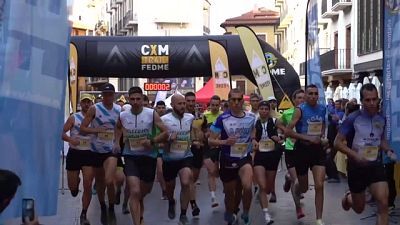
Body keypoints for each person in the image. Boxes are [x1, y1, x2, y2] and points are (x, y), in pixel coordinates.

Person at [335, 83, 396, 225]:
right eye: (368, 100)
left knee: (383, 202)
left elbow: (381, 140)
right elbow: (337, 143)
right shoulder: (352, 119)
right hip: (356, 168)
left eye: (375, 99)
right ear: (362, 101)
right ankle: (349, 198)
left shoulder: (381, 118)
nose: (372, 103)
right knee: (359, 208)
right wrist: (355, 156)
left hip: (375, 165)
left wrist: (388, 150)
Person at [114, 86, 168, 225]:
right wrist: (116, 142)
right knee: (135, 191)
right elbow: (118, 127)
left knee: (144, 191)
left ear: (143, 99)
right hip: (130, 156)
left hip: (148, 156)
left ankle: (139, 210)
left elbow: (165, 132)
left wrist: (152, 141)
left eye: (138, 99)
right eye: (132, 99)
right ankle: (137, 222)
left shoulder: (151, 113)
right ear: (129, 100)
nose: (136, 102)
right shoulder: (123, 115)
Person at [209, 88, 256, 225]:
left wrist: (253, 139)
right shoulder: (222, 119)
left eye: (239, 99)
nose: (236, 102)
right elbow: (210, 140)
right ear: (229, 101)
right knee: (230, 194)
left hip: (244, 157)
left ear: (243, 100)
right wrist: (224, 142)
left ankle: (246, 212)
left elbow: (253, 130)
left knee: (247, 186)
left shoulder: (251, 117)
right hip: (227, 159)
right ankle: (231, 213)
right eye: (233, 100)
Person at [285, 84, 327, 225]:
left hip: (317, 151)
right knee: (303, 188)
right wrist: (307, 138)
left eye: (316, 94)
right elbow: (288, 132)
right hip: (302, 150)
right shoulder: (299, 110)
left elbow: (323, 124)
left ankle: (319, 219)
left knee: (319, 185)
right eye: (310, 94)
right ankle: (293, 181)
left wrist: (321, 136)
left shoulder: (322, 108)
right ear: (306, 95)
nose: (313, 96)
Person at [80, 83, 121, 225]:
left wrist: (117, 142)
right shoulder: (94, 109)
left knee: (110, 180)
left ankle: (111, 208)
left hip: (110, 151)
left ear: (114, 95)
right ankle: (103, 206)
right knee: (101, 183)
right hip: (95, 150)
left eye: (110, 94)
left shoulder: (119, 109)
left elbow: (119, 128)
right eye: (105, 95)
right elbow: (83, 128)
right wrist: (96, 130)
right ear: (102, 96)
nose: (107, 97)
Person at [161, 94, 199, 225]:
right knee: (170, 187)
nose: (183, 106)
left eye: (184, 103)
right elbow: (158, 141)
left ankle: (183, 213)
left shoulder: (190, 117)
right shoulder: (164, 119)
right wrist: (168, 139)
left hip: (185, 157)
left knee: (186, 180)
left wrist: (194, 140)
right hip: (169, 159)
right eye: (180, 104)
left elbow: (192, 132)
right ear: (172, 105)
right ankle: (171, 201)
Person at [61, 93, 95, 225]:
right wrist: (70, 139)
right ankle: (75, 185)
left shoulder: (95, 118)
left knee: (87, 185)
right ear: (80, 104)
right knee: (73, 187)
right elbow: (62, 132)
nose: (86, 104)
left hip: (89, 154)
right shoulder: (73, 118)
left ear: (91, 104)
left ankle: (84, 213)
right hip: (74, 153)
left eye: (88, 102)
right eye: (84, 102)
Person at [253, 101, 284, 224]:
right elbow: (252, 136)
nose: (264, 111)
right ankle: (266, 214)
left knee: (269, 188)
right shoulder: (254, 122)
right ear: (259, 109)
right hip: (260, 155)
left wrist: (280, 138)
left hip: (272, 155)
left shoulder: (275, 121)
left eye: (266, 109)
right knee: (262, 185)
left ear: (269, 110)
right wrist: (253, 140)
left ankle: (264, 194)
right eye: (262, 109)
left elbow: (285, 132)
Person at [277, 89, 305, 219]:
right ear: (293, 100)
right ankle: (298, 208)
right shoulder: (287, 113)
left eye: (302, 98)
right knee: (297, 181)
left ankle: (288, 178)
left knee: (301, 183)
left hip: (304, 149)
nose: (301, 100)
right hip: (290, 148)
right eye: (298, 98)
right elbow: (278, 123)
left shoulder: (308, 113)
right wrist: (287, 131)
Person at [202, 95, 223, 208]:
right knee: (211, 172)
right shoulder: (204, 116)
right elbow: (201, 132)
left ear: (219, 105)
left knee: (218, 172)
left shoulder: (224, 116)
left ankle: (226, 187)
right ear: (209, 105)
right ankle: (213, 197)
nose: (214, 107)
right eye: (212, 105)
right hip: (208, 148)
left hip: (221, 147)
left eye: (216, 105)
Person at [184, 92, 202, 218]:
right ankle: (193, 204)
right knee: (188, 178)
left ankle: (191, 198)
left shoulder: (199, 116)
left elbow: (203, 131)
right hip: (183, 150)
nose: (191, 103)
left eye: (192, 101)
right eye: (188, 101)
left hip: (197, 150)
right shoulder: (180, 115)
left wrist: (202, 138)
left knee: (193, 179)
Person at [266, 95, 282, 203]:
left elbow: (283, 130)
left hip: (275, 148)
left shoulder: (279, 116)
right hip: (261, 147)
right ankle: (263, 188)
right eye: (270, 102)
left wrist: (280, 137)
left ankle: (273, 192)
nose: (272, 103)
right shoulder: (260, 115)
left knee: (272, 171)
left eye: (274, 102)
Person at [326, 99, 345, 183]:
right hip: (331, 139)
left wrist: (333, 117)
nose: (337, 105)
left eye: (338, 104)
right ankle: (331, 175)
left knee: (329, 157)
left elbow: (335, 119)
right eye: (336, 104)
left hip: (336, 139)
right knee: (328, 157)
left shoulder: (341, 113)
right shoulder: (334, 110)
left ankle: (334, 176)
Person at [155, 101, 168, 200]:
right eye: (159, 108)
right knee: (160, 170)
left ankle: (168, 188)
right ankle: (164, 190)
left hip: (168, 149)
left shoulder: (168, 120)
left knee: (167, 172)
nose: (161, 109)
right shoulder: (152, 120)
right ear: (156, 108)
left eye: (163, 107)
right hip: (156, 150)